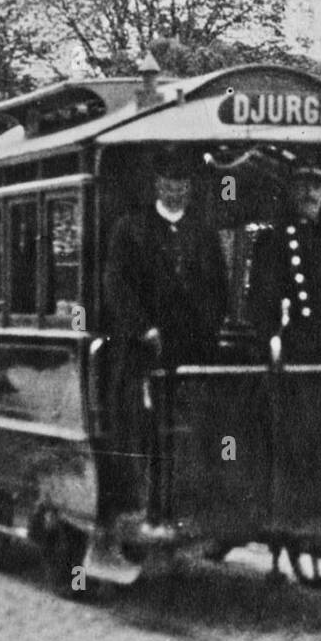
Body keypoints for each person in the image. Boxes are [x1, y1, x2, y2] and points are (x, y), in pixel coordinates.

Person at [101, 163, 227, 522]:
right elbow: (117, 286)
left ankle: (197, 503)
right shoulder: (131, 228)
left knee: (199, 426)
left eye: (182, 185)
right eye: (169, 184)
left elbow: (219, 286)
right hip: (146, 351)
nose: (176, 191)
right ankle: (147, 505)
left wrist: (210, 326)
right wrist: (144, 328)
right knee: (149, 427)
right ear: (157, 185)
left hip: (195, 351)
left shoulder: (203, 232)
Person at [247, 165, 321, 362]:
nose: (309, 192)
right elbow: (261, 299)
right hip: (287, 343)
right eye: (302, 186)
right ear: (291, 191)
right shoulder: (271, 240)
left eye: (317, 186)